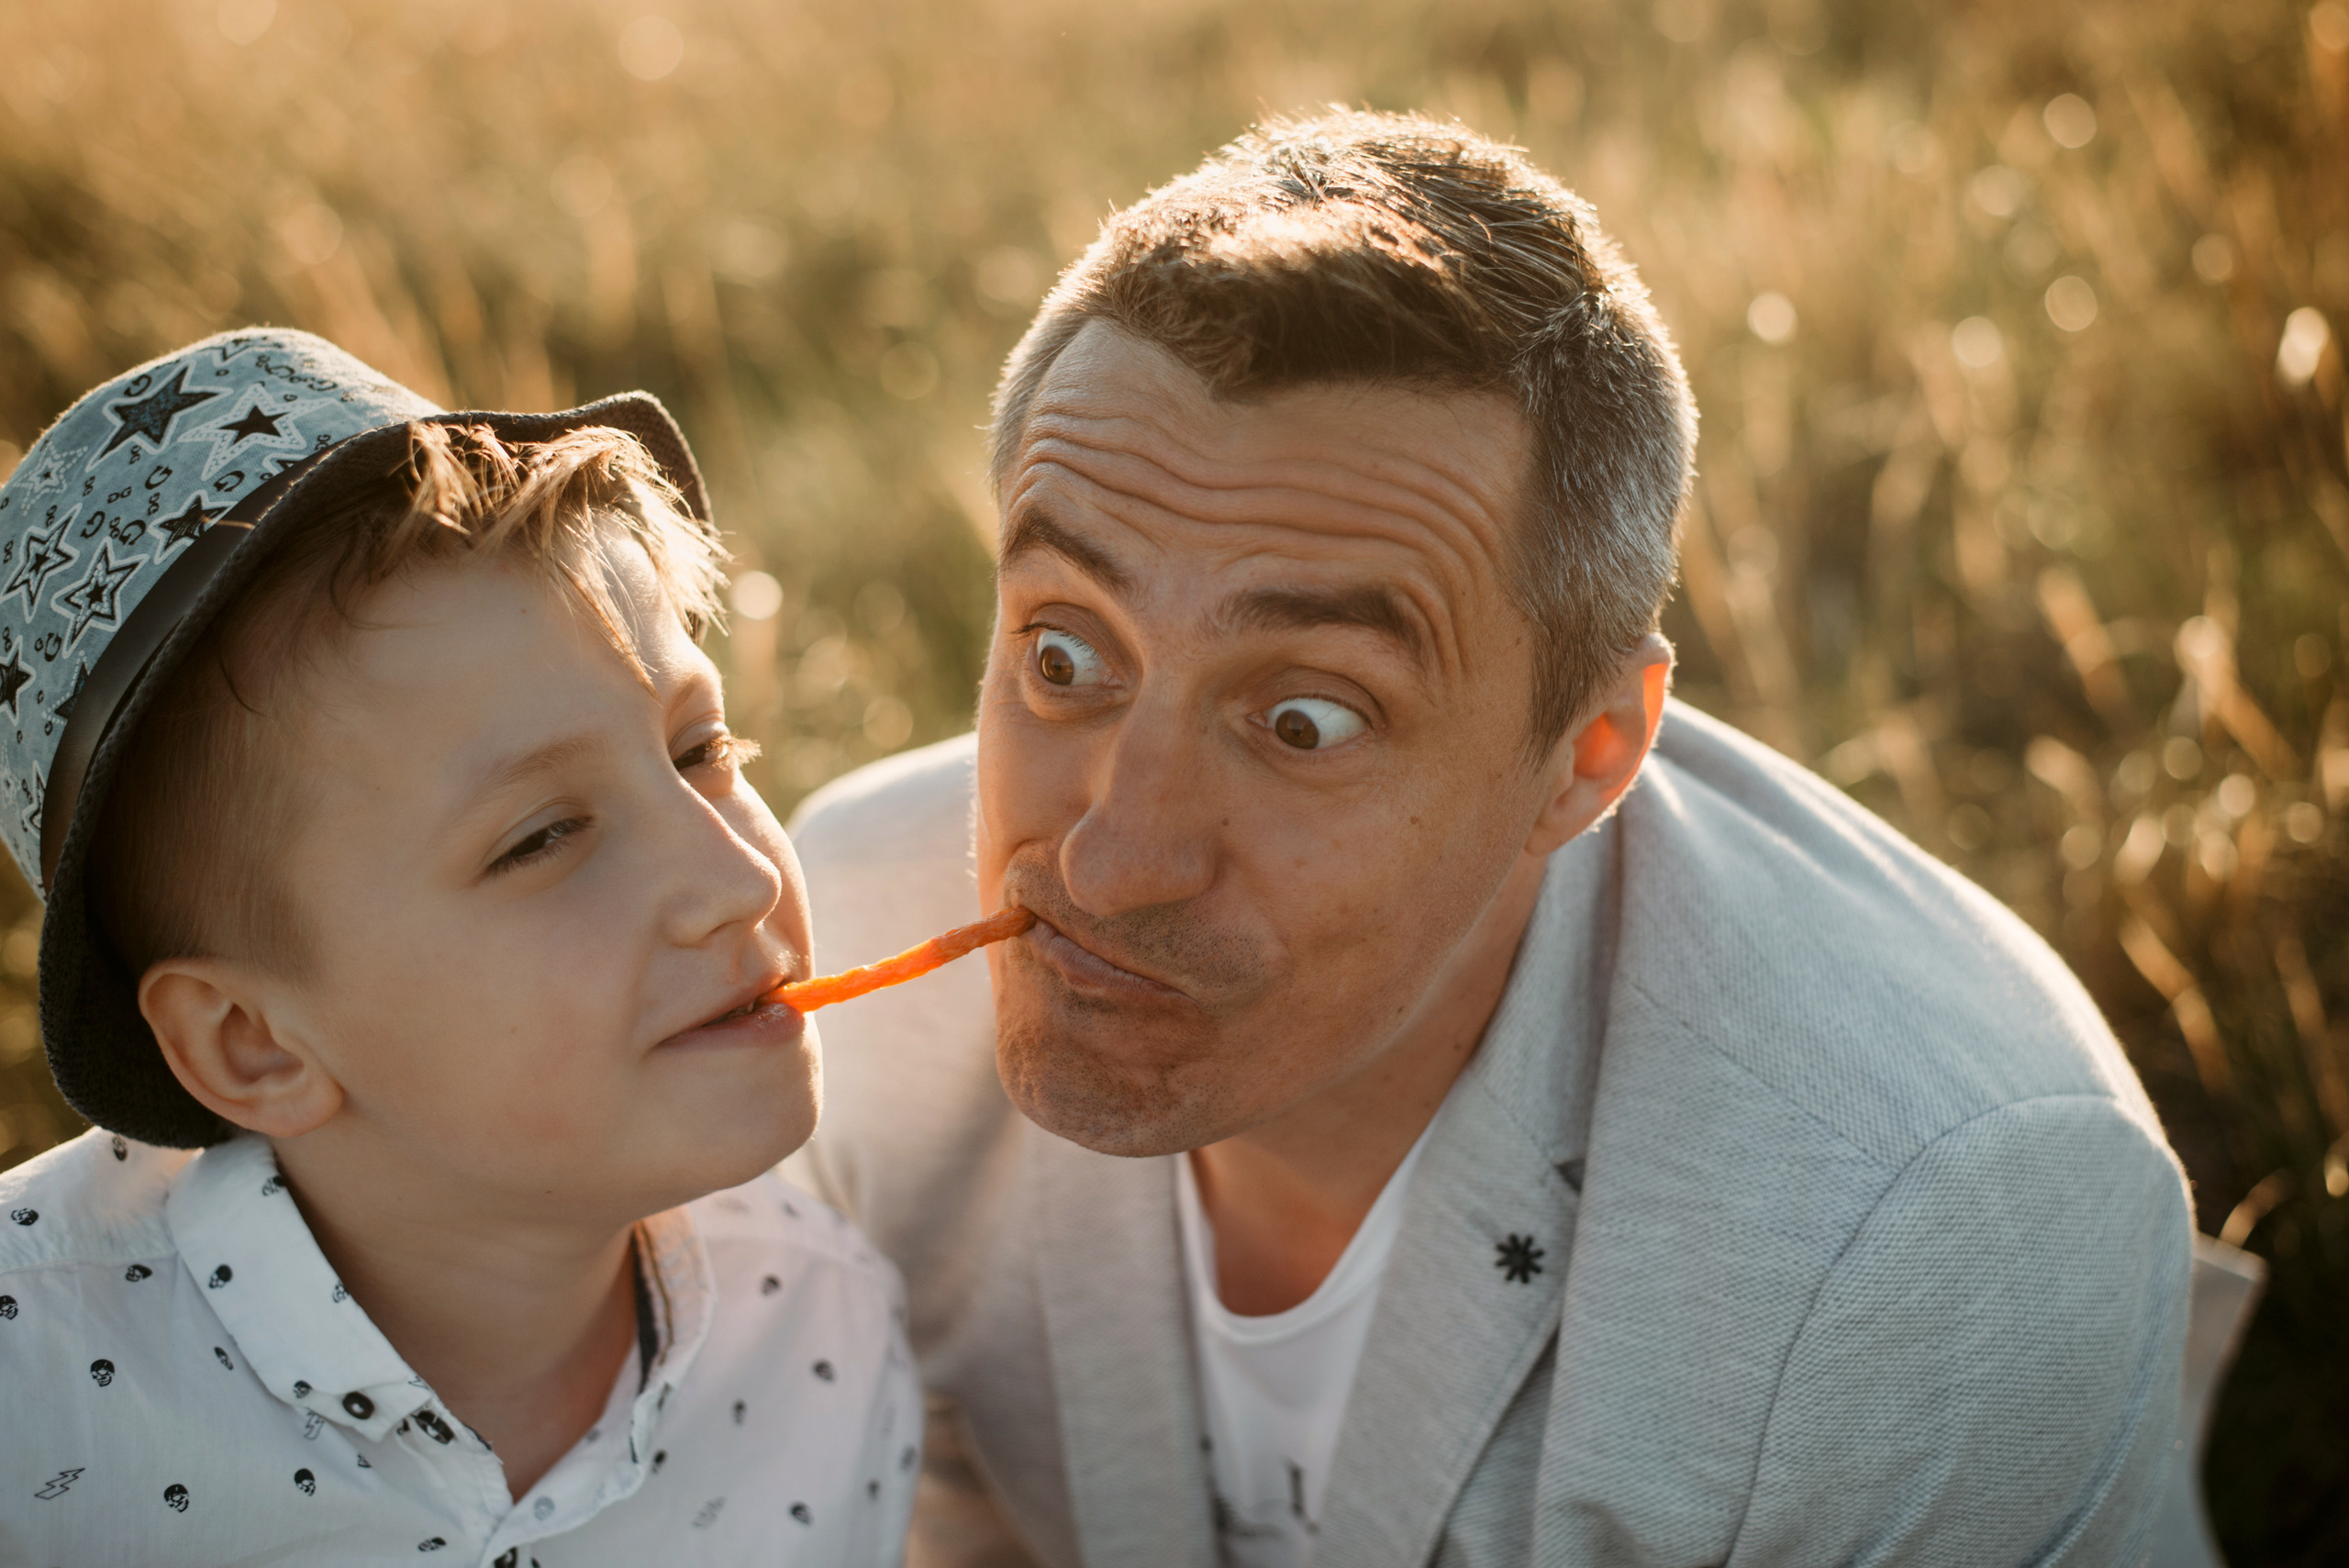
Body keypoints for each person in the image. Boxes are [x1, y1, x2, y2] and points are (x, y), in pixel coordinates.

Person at [787, 112, 2192, 1566]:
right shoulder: (853, 971)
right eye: (1066, 656)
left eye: (1306, 723)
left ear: (1587, 758)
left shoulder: (1935, 1240)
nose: (1111, 861)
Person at [0, 329, 919, 1564]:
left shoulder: (824, 1332)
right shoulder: (34, 1401)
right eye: (540, 838)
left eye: (702, 750)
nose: (740, 876)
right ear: (254, 1041)